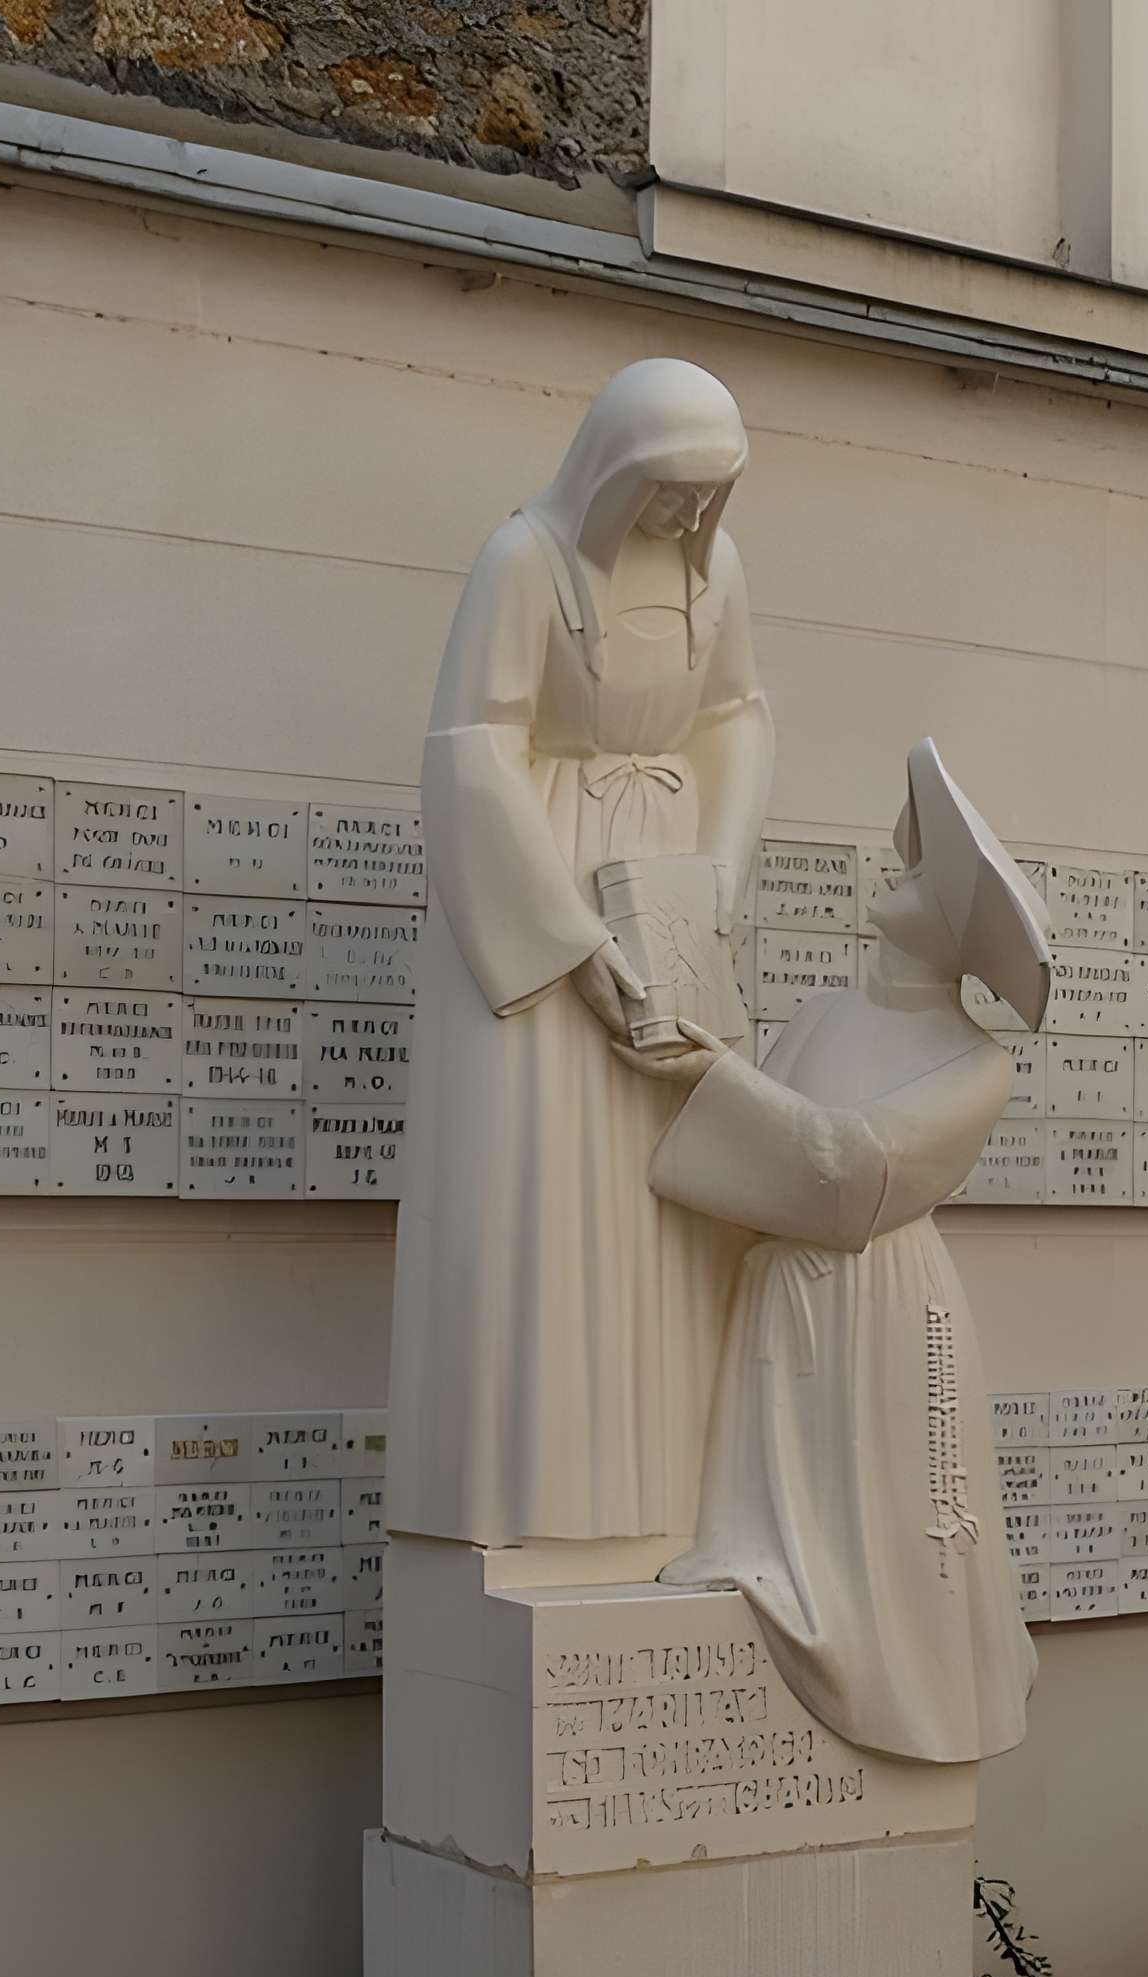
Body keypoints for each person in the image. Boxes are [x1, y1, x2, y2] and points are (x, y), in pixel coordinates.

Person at [389, 359, 773, 1549]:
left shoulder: (718, 577)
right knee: (544, 1189)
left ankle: (664, 1499)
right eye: (665, 492)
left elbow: (734, 720)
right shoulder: (524, 562)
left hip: (665, 887)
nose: (684, 519)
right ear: (611, 475)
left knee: (666, 1189)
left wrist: (709, 877)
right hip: (546, 884)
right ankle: (539, 1497)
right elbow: (473, 747)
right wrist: (564, 940)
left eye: (707, 498)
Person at [635, 741, 1046, 1764]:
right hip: (783, 1290)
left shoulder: (973, 1064)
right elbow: (757, 1147)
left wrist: (714, 1078)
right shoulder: (822, 1014)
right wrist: (704, 1064)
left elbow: (854, 1172)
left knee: (890, 1527)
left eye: (912, 876)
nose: (886, 875)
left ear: (946, 924)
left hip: (885, 1304)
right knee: (785, 1488)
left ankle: (912, 1690)